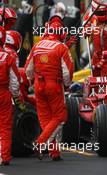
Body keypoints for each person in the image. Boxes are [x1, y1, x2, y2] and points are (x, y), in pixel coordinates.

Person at [25, 21, 74, 160]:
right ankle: (40, 143)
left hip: (38, 86)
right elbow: (67, 73)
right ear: (60, 33)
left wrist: (31, 81)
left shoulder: (37, 45)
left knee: (46, 120)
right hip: (54, 86)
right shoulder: (62, 47)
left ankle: (54, 153)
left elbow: (28, 69)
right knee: (60, 117)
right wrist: (67, 85)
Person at [0, 26, 21, 166]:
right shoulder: (8, 56)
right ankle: (4, 157)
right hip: (3, 93)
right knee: (5, 127)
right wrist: (15, 96)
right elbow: (15, 81)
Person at [83, 0, 107, 76]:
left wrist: (102, 61)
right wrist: (86, 29)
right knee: (94, 82)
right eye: (98, 13)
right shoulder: (91, 16)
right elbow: (86, 19)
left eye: (102, 12)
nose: (100, 15)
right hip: (96, 56)